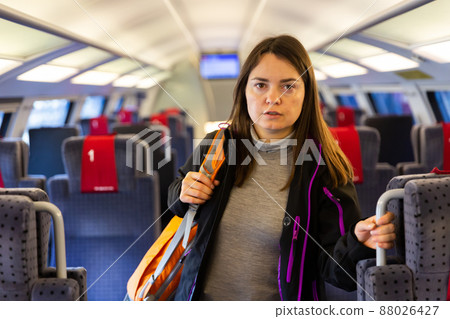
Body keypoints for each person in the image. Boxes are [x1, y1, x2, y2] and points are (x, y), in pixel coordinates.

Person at [167, 35, 395, 301]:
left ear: (306, 94)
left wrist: (358, 244)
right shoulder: (217, 146)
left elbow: (337, 273)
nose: (273, 98)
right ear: (244, 90)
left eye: (288, 86)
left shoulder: (324, 167)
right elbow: (177, 197)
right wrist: (183, 193)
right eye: (260, 85)